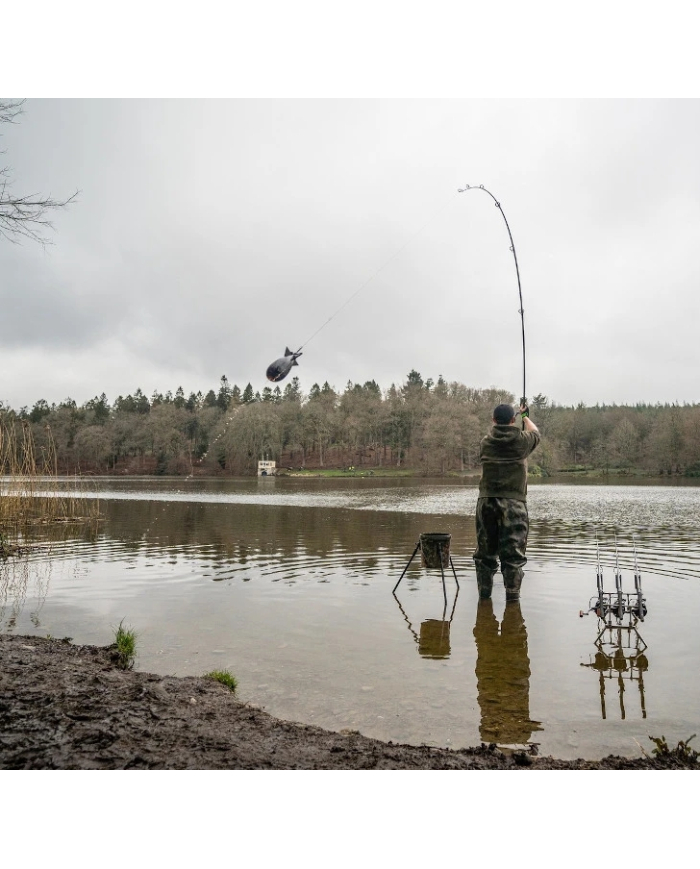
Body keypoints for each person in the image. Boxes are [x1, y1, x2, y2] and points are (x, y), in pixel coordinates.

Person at [473, 402, 540, 601]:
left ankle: (484, 598)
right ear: (512, 420)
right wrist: (525, 416)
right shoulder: (522, 441)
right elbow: (536, 433)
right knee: (513, 557)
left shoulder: (485, 442)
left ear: (493, 420)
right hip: (514, 504)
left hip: (486, 502)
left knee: (485, 556)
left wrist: (517, 416)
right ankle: (513, 601)